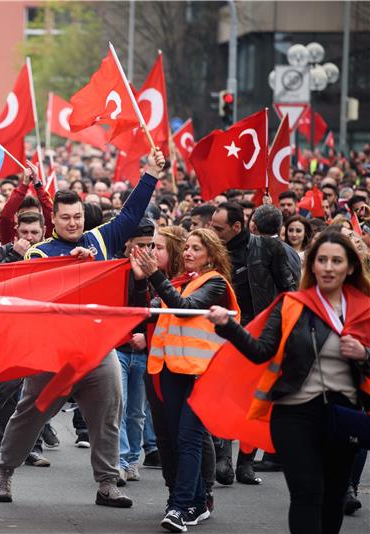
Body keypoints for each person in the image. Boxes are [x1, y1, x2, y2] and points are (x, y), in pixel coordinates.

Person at [0, 147, 165, 509]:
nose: (73, 223)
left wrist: (149, 172)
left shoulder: (100, 240)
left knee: (109, 414)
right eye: (66, 217)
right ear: (55, 220)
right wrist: (72, 267)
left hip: (97, 351)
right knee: (29, 417)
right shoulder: (38, 254)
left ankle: (107, 483)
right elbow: (37, 296)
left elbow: (132, 214)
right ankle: (5, 471)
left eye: (77, 216)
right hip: (53, 355)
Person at [206, 230, 370, 534]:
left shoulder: (365, 308)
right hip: (294, 413)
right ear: (312, 266)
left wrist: (364, 353)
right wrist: (228, 327)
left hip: (344, 415)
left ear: (350, 267)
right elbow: (260, 352)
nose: (329, 267)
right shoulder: (291, 305)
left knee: (334, 498)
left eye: (337, 260)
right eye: (322, 260)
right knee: (307, 493)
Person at [131, 228, 239, 533]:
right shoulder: (183, 282)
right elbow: (146, 312)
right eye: (187, 247)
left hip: (203, 374)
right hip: (172, 371)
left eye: (196, 248)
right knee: (177, 440)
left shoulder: (215, 283)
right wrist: (142, 279)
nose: (188, 253)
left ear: (212, 255)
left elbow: (186, 310)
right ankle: (193, 502)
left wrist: (153, 276)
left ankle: (180, 508)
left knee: (189, 438)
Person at [209, 201, 300, 485]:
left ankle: (245, 462)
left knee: (256, 398)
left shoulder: (269, 249)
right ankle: (223, 458)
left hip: (262, 332)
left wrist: (280, 327)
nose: (213, 231)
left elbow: (289, 291)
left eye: (218, 228)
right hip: (225, 328)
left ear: (238, 227)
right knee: (225, 392)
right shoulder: (214, 251)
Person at [0, 211, 53, 468]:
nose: (29, 237)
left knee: (37, 394)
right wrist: (15, 253)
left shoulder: (51, 252)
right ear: (17, 231)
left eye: (34, 233)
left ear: (43, 233)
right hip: (9, 331)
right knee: (7, 392)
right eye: (24, 232)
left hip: (41, 332)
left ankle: (33, 448)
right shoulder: (5, 251)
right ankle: (4, 449)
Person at [114, 218, 156, 484]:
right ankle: (118, 460)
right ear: (127, 241)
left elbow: (148, 310)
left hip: (141, 350)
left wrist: (143, 279)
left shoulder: (154, 269)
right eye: (140, 244)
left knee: (138, 412)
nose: (145, 250)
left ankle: (131, 460)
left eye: (149, 245)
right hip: (117, 347)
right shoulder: (113, 266)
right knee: (119, 406)